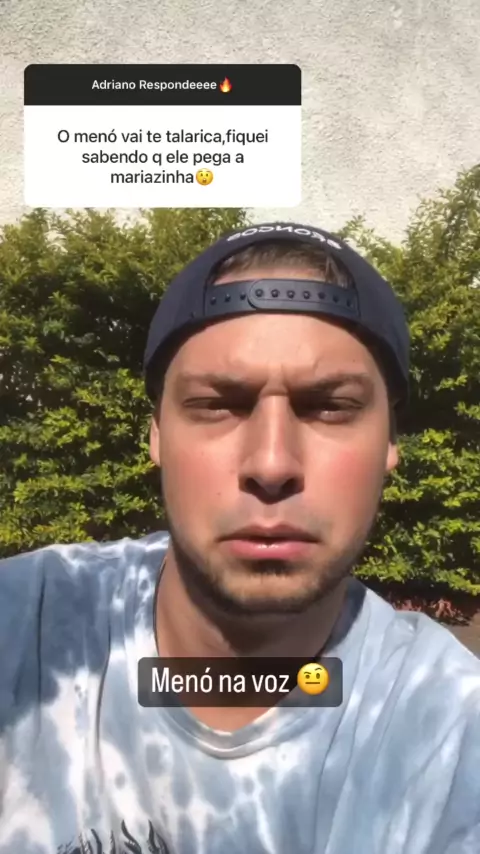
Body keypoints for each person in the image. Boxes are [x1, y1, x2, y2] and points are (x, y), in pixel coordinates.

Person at [0, 221, 479, 854]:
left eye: (329, 406)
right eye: (218, 404)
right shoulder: (26, 630)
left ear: (390, 442)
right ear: (157, 434)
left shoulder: (448, 734)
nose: (272, 463)